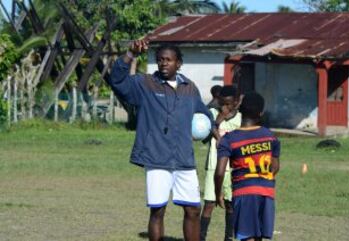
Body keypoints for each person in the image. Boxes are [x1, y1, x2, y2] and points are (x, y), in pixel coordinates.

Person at [109, 39, 216, 241]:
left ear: (179, 63)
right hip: (156, 158)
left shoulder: (189, 88)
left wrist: (215, 129)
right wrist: (130, 54)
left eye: (168, 60)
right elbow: (117, 80)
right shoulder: (145, 83)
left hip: (184, 159)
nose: (163, 63)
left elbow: (203, 115)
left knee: (193, 210)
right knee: (157, 211)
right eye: (160, 60)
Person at [215, 92, 281, 241]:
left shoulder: (229, 139)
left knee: (247, 237)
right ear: (261, 113)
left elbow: (219, 172)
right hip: (267, 192)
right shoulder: (271, 137)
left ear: (240, 110)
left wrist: (218, 192)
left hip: (244, 193)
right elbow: (275, 167)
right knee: (258, 236)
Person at [200, 85, 241, 241]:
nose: (225, 107)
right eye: (222, 104)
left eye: (228, 104)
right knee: (209, 204)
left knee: (230, 204)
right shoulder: (212, 114)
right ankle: (201, 237)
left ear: (236, 102)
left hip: (233, 167)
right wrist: (220, 119)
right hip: (213, 166)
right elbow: (210, 129)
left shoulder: (240, 119)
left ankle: (228, 237)